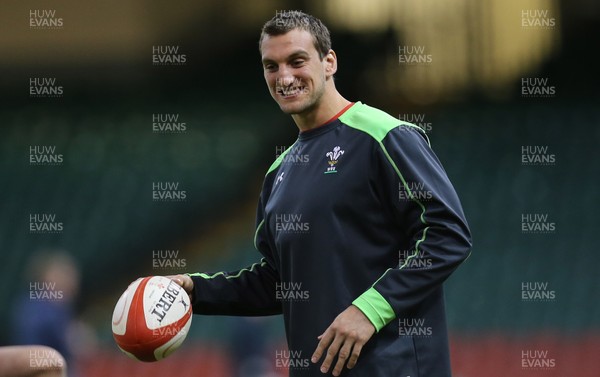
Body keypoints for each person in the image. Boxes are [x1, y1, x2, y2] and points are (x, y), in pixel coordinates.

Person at [171, 10, 471, 376]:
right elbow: (278, 284)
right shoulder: (277, 173)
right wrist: (194, 291)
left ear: (329, 62)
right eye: (271, 66)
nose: (284, 77)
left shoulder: (384, 136)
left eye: (297, 61)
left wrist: (369, 310)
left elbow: (447, 234)